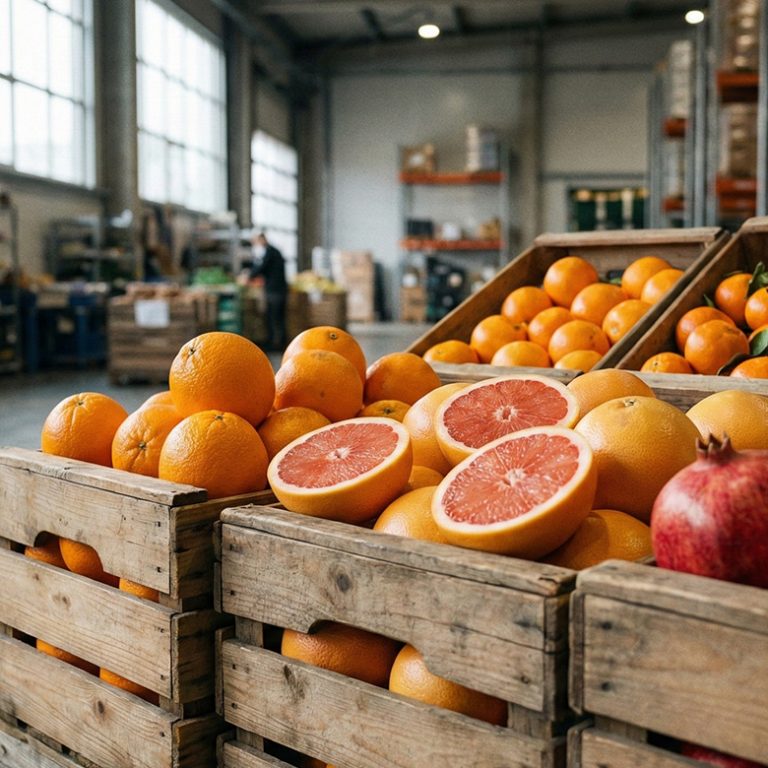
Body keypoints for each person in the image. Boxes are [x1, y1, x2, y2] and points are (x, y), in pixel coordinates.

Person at [249, 232, 287, 351]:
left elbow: (261, 267)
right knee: (278, 317)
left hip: (275, 290)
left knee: (273, 316)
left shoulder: (270, 252)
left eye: (256, 242)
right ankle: (280, 342)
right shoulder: (273, 251)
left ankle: (274, 343)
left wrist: (249, 275)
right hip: (278, 288)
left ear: (262, 239)